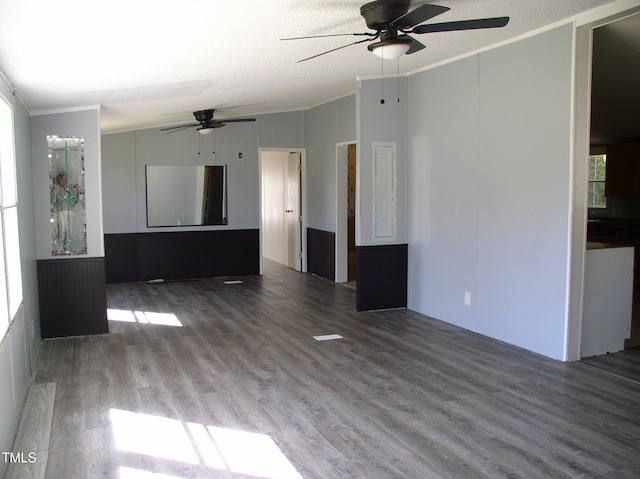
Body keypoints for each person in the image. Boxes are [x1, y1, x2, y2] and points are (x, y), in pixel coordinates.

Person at [51, 172, 79, 253]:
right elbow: (56, 199)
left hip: (70, 212)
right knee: (62, 231)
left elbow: (74, 199)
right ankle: (59, 248)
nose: (64, 181)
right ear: (59, 179)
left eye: (65, 179)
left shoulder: (68, 189)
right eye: (63, 179)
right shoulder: (57, 189)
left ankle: (68, 248)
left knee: (69, 231)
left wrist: (75, 191)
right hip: (61, 212)